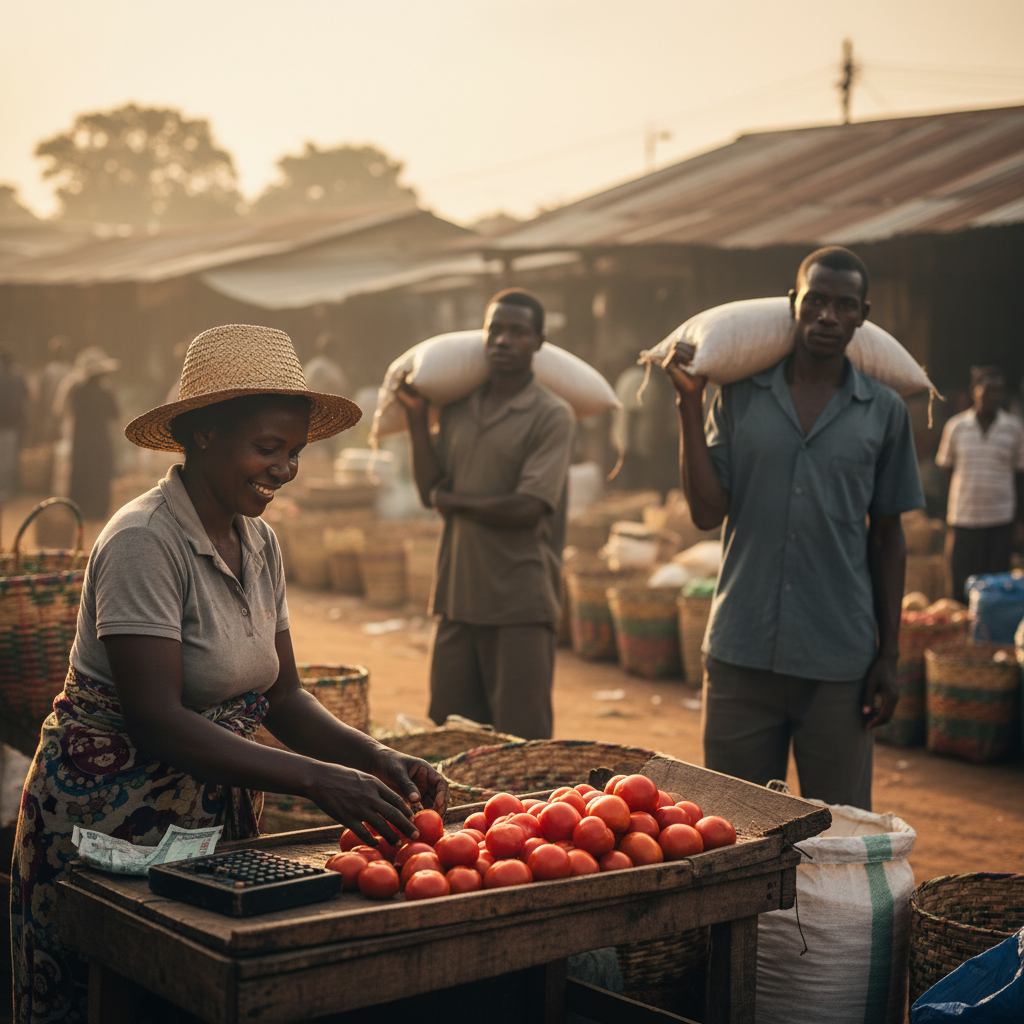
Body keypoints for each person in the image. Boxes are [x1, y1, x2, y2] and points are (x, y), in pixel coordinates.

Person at [11, 324, 447, 1024]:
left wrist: (375, 756)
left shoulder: (260, 539)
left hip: (208, 825)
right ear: (204, 434)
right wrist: (315, 776)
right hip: (109, 824)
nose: (284, 470)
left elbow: (281, 693)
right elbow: (157, 721)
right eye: (268, 449)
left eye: (294, 452)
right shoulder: (143, 541)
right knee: (104, 999)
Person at [663, 246, 924, 810]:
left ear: (862, 315)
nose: (829, 316)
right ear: (794, 305)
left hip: (839, 659)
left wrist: (889, 657)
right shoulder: (738, 396)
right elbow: (707, 514)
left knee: (839, 828)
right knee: (733, 828)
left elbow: (888, 535)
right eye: (817, 301)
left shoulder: (883, 412)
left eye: (844, 305)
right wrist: (689, 405)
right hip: (741, 651)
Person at [396, 289, 575, 740]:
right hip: (456, 599)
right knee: (451, 738)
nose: (503, 341)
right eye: (496, 330)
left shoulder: (552, 416)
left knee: (520, 745)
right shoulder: (457, 409)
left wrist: (455, 501)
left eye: (518, 332)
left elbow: (528, 507)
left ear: (538, 341)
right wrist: (418, 420)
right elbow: (428, 491)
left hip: (520, 604)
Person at [935, 366, 1024, 601]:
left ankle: (989, 633)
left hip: (1000, 519)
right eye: (987, 390)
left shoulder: (1014, 428)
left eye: (998, 391)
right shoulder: (956, 427)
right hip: (965, 517)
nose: (993, 396)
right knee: (960, 583)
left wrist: (1018, 520)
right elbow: (946, 468)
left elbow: (1019, 475)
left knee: (995, 587)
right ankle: (962, 629)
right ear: (974, 391)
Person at [57, 347, 122, 519]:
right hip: (100, 441)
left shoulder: (75, 390)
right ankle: (99, 511)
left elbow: (62, 411)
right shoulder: (105, 392)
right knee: (100, 474)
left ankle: (78, 510)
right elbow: (115, 414)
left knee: (80, 473)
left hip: (81, 441)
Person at [0, 351, 29, 501]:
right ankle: (10, 488)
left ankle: (4, 487)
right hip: (13, 423)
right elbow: (26, 398)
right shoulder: (18, 377)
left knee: (4, 457)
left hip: (4, 423)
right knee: (10, 457)